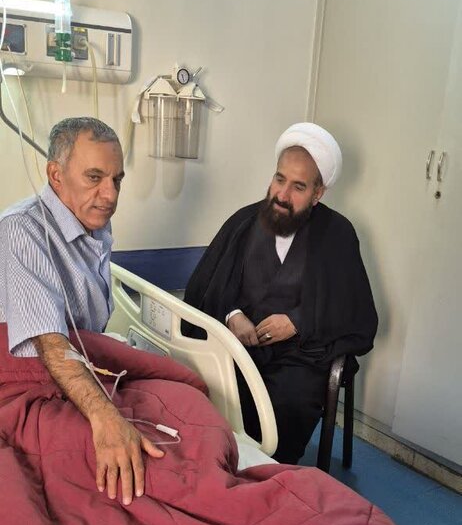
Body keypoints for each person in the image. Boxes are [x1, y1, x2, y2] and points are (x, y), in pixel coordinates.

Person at [184, 122, 378, 463]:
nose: (282, 195)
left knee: (289, 402)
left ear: (318, 194)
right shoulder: (243, 222)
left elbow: (355, 311)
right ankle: (219, 466)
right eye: (279, 179)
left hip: (300, 355)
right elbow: (206, 285)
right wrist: (232, 315)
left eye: (298, 187)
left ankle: (268, 474)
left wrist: (298, 322)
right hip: (240, 346)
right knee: (206, 386)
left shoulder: (337, 235)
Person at [0, 117, 163, 504]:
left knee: (188, 403)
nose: (110, 194)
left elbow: (88, 335)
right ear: (56, 175)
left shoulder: (95, 225)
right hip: (28, 384)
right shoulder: (22, 231)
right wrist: (106, 418)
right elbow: (52, 346)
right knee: (141, 467)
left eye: (117, 179)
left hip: (81, 369)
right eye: (94, 177)